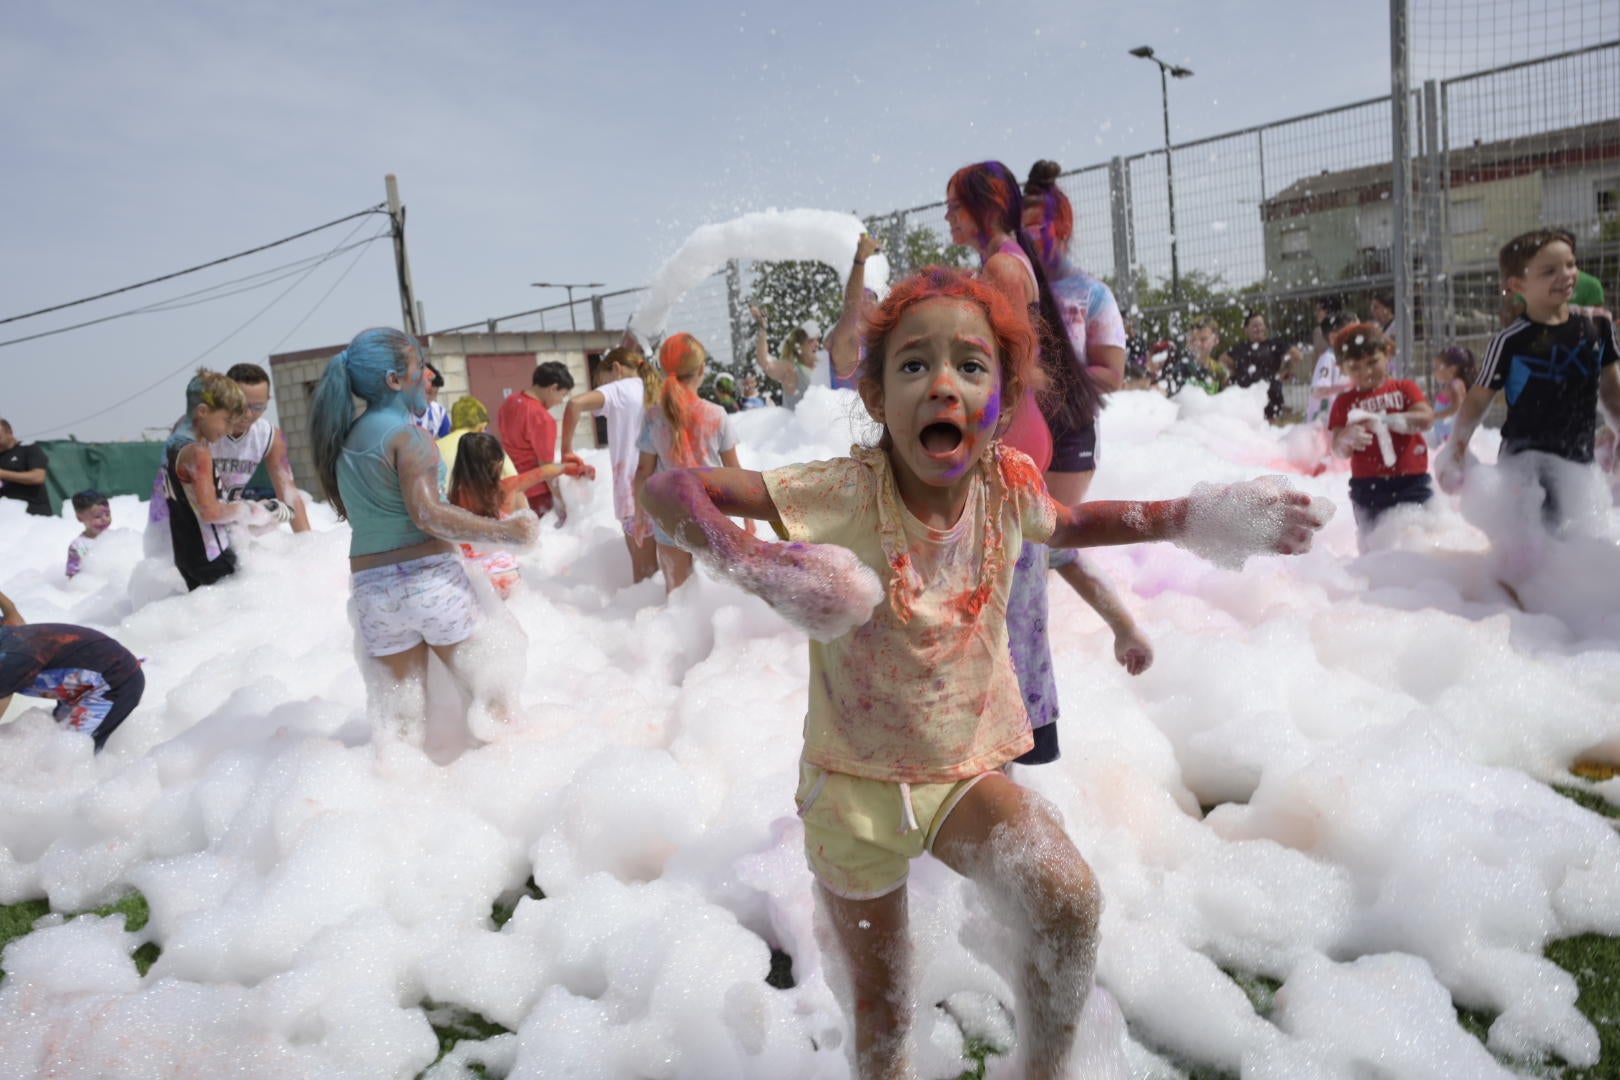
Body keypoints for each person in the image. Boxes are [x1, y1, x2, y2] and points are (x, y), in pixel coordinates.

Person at [639, 267, 1327, 1079]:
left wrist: (1191, 516)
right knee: (883, 1015)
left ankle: (1042, 1069)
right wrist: (761, 565)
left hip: (962, 772)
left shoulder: (1007, 485)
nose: (943, 384)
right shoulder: (843, 491)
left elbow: (1073, 522)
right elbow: (670, 488)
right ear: (875, 397)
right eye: (913, 364)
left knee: (1068, 899)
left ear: (1004, 399)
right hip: (854, 791)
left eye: (971, 365)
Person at [308, 328, 540, 746]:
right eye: (420, 367)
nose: (428, 376)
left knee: (400, 726)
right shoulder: (409, 436)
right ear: (394, 380)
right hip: (430, 582)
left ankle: (400, 779)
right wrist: (505, 531)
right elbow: (428, 514)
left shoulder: (344, 442)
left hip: (373, 591)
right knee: (495, 708)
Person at [948, 160, 1103, 507]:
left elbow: (1019, 365)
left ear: (988, 208)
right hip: (1052, 419)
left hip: (1043, 424)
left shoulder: (1002, 266)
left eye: (956, 207)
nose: (948, 217)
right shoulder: (1003, 259)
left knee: (1039, 538)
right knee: (1040, 539)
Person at [1443, 228, 1620, 531]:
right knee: (1536, 542)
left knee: (1581, 536)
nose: (1566, 275)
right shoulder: (1511, 340)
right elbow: (1477, 400)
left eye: (1571, 264)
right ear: (1517, 285)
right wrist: (1456, 451)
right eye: (1549, 271)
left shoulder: (1597, 326)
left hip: (1578, 464)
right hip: (1525, 465)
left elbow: (1611, 389)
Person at [632, 333, 746, 593]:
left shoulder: (654, 417)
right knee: (715, 595)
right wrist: (748, 516)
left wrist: (640, 515)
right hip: (712, 515)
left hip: (668, 514)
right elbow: (735, 473)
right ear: (702, 370)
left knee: (676, 594)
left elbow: (643, 472)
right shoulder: (716, 415)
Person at [163, 369, 281, 591]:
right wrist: (251, 510)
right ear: (203, 411)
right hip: (213, 556)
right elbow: (210, 512)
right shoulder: (199, 453)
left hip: (185, 555)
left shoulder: (173, 446)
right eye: (227, 421)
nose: (228, 430)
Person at [1329, 322, 1434, 550]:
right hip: (1368, 487)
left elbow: (1426, 418)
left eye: (1372, 362)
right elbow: (1337, 448)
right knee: (1375, 547)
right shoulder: (1343, 402)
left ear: (1387, 353)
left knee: (1422, 543)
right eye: (1355, 367)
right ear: (1342, 368)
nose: (1366, 372)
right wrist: (1346, 438)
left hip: (1412, 482)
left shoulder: (1404, 389)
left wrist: (1390, 420)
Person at [560, 346, 660, 583]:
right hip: (663, 485)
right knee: (666, 569)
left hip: (633, 490)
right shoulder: (656, 389)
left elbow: (574, 404)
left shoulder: (620, 388)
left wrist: (566, 450)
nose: (601, 388)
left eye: (601, 382)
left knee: (644, 571)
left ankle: (645, 606)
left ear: (616, 368)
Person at [0, 590, 144, 752]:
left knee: (72, 754)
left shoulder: (9, 661)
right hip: (84, 685)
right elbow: (11, 611)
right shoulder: (11, 629)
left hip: (115, 682)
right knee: (54, 748)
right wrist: (9, 607)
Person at [447, 431, 583, 600]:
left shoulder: (453, 498)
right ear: (497, 463)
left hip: (475, 576)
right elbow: (542, 472)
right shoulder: (506, 487)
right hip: (507, 572)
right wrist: (567, 467)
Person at [438, 395, 586, 511]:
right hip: (498, 524)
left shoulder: (436, 447)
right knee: (517, 494)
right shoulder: (485, 449)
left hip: (446, 514)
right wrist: (566, 467)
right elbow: (523, 478)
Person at [498, 361, 575, 522]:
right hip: (536, 493)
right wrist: (562, 501)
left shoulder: (510, 401)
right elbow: (546, 468)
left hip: (510, 486)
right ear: (553, 388)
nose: (561, 401)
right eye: (563, 395)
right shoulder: (542, 418)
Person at [1219, 311, 1303, 423]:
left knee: (1272, 431)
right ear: (1246, 329)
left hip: (1271, 395)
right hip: (1247, 398)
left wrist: (1284, 372)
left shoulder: (1274, 344)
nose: (1258, 328)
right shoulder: (1240, 348)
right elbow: (1222, 360)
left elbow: (1297, 355)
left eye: (1261, 325)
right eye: (1254, 326)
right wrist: (1235, 373)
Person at [826, 232, 884, 390]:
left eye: (872, 296)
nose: (867, 300)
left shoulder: (882, 341)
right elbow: (852, 306)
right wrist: (860, 260)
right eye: (862, 296)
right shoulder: (849, 343)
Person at [752, 306, 828, 410]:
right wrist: (762, 328)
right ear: (799, 347)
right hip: (797, 420)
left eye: (817, 340)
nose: (816, 344)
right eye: (810, 341)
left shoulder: (823, 366)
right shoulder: (791, 370)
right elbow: (764, 362)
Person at [1306, 311, 1358, 425]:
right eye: (1353, 333)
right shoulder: (1328, 359)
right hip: (1322, 425)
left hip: (1338, 422)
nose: (1359, 337)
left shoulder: (1347, 359)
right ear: (1334, 338)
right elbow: (1318, 391)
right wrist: (1349, 384)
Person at [0, 419, 50, 517]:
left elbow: (38, 477)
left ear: (9, 432)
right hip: (7, 517)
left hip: (34, 515)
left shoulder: (28, 448)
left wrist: (3, 474)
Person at [1428, 346, 1476, 445]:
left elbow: (1457, 408)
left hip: (1448, 435)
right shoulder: (1456, 384)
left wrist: (1435, 416)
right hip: (1447, 434)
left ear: (1452, 369)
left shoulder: (1455, 385)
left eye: (1437, 367)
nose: (1435, 371)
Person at [66, 490, 111, 578]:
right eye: (97, 516)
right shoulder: (78, 547)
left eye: (107, 514)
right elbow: (73, 578)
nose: (104, 519)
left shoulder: (114, 537)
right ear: (80, 518)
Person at [412, 363, 452, 438]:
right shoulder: (398, 413)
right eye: (428, 392)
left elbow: (447, 440)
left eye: (435, 393)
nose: (432, 398)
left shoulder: (439, 412)